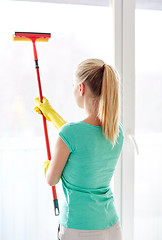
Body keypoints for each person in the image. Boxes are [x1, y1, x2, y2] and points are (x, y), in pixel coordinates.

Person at [34, 58, 124, 240]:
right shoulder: (116, 130)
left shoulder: (71, 133)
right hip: (111, 226)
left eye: (73, 85)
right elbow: (81, 137)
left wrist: (48, 167)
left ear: (81, 88)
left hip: (78, 228)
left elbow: (51, 179)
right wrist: (50, 113)